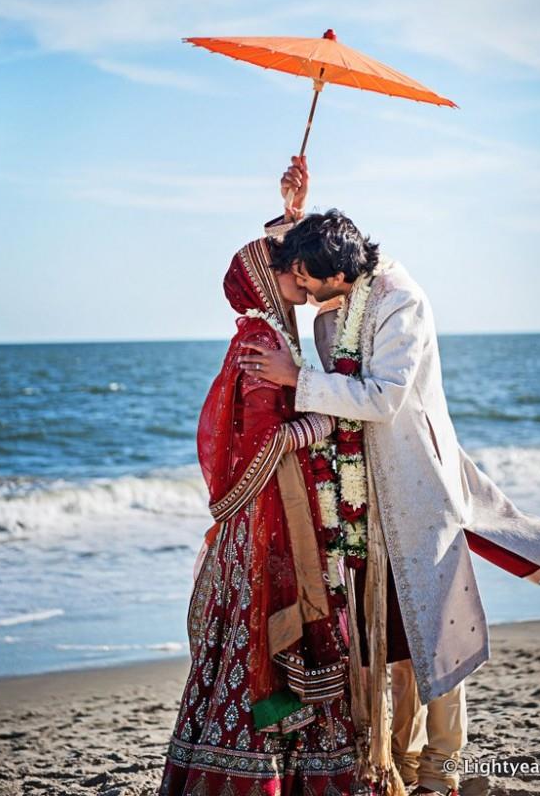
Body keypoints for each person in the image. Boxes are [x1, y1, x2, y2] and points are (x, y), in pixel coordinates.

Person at [237, 159, 540, 796]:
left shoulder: (400, 301)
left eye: (306, 275)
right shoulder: (332, 300)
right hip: (356, 501)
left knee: (430, 635)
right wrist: (294, 211)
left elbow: (381, 397)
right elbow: (296, 281)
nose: (299, 286)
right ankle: (391, 766)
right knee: (379, 638)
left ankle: (441, 768)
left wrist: (298, 381)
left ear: (338, 275)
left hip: (414, 488)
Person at [158, 236, 358, 796]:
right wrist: (324, 424)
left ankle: (284, 764)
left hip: (269, 512)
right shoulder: (261, 338)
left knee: (269, 633)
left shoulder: (273, 332)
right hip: (268, 517)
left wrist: (292, 207)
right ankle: (258, 770)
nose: (297, 272)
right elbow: (260, 442)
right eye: (283, 267)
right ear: (266, 279)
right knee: (268, 631)